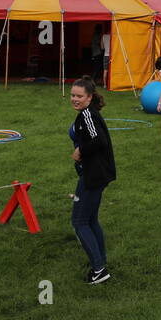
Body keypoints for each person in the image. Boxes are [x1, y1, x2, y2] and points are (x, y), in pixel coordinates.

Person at [68, 76, 115, 284]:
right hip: (96, 173)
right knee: (91, 219)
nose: (75, 99)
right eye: (72, 95)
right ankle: (100, 262)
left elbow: (99, 140)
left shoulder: (88, 114)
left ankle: (99, 270)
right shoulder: (87, 113)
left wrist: (80, 150)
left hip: (93, 175)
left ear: (89, 98)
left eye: (79, 96)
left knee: (79, 222)